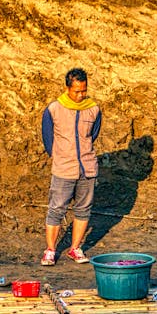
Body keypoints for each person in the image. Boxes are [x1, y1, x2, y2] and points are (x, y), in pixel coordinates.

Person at [40, 67, 102, 266]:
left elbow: (93, 135)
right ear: (68, 88)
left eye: (84, 90)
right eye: (76, 91)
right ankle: (50, 250)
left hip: (87, 168)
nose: (80, 94)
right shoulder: (53, 109)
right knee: (56, 209)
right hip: (63, 168)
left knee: (83, 209)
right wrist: (61, 156)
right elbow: (48, 139)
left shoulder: (93, 109)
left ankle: (75, 248)